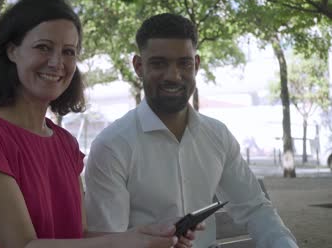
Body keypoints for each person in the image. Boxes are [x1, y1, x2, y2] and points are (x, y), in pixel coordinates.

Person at [0, 0, 197, 248]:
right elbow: (22, 246)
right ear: (12, 51)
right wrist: (128, 244)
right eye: (43, 47)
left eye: (68, 52)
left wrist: (147, 234)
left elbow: (78, 237)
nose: (57, 62)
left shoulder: (65, 143)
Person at [84, 13, 298, 248]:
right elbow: (108, 242)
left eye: (184, 63)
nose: (173, 76)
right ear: (138, 66)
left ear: (196, 65)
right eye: (159, 63)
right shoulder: (112, 146)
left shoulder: (217, 135)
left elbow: (255, 208)